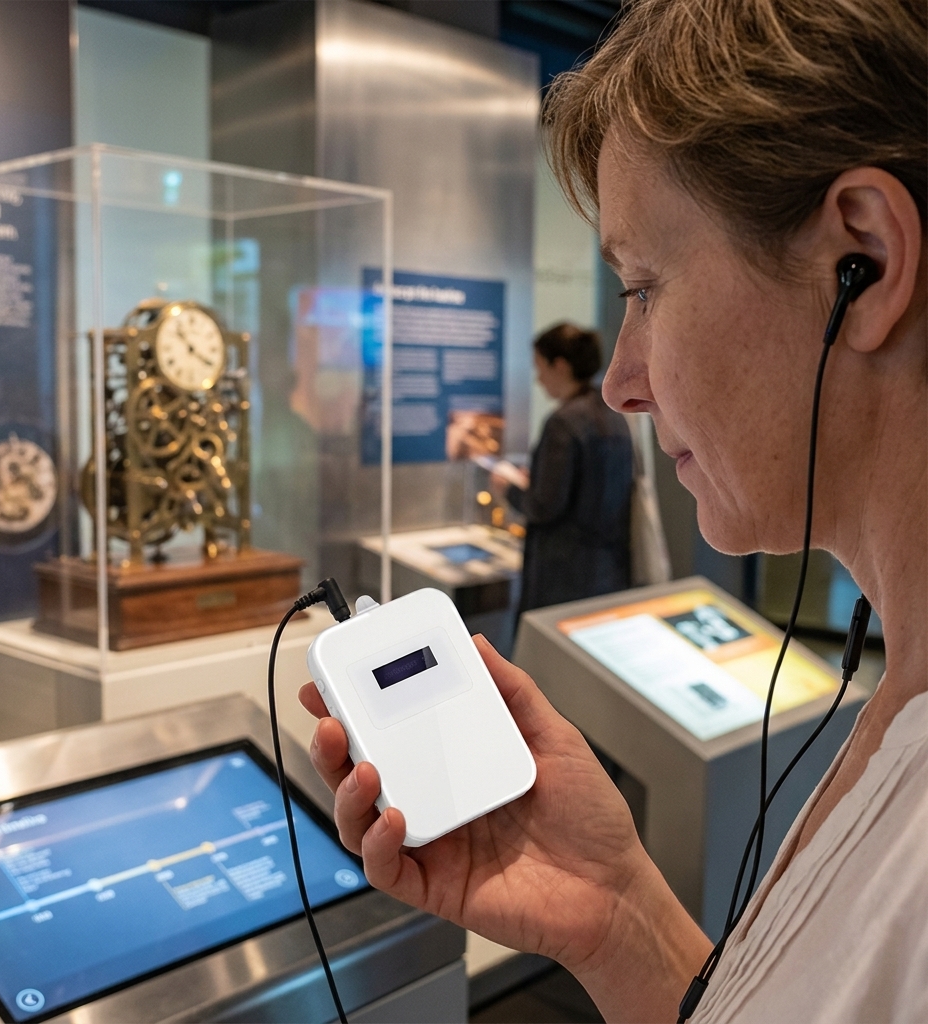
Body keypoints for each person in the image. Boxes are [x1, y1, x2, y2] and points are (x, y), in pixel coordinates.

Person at [301, 1, 927, 1021]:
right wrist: (619, 916)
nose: (622, 382)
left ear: (863, 261)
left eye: (641, 288)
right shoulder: (897, 707)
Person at [498, 323, 634, 613]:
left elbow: (544, 507)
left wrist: (508, 489)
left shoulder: (563, 422)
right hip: (609, 569)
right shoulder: (614, 415)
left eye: (540, 368)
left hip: (562, 575)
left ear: (559, 366)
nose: (538, 379)